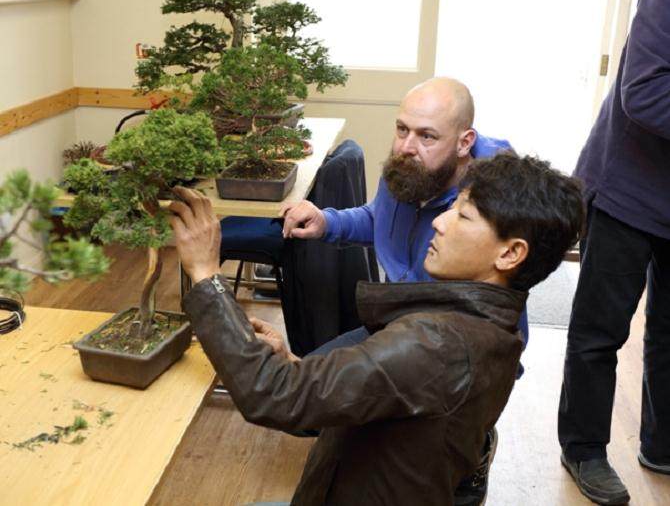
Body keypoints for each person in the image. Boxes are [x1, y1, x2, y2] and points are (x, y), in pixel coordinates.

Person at [169, 153, 584, 506]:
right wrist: (293, 363)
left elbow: (274, 396)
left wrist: (206, 274)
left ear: (510, 253)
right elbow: (374, 398)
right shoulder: (490, 325)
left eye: (463, 215)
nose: (439, 223)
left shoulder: (437, 343)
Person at [280, 76, 529, 504]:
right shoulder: (411, 169)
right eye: (402, 130)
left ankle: (473, 459)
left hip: (455, 348)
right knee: (310, 406)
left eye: (426, 135)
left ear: (465, 141)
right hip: (401, 320)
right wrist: (329, 221)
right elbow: (379, 217)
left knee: (421, 470)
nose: (406, 146)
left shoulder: (499, 197)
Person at [557, 0, 670, 504]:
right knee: (599, 332)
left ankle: (662, 444)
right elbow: (644, 93)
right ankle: (583, 448)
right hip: (628, 187)